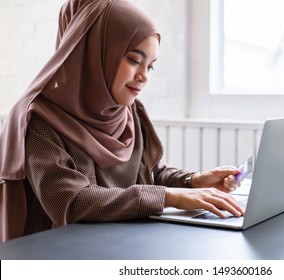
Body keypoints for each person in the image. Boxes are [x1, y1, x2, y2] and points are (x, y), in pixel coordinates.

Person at [0, 0, 244, 242]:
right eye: (134, 60)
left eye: (151, 66)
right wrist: (167, 197)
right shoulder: (38, 120)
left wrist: (193, 181)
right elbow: (72, 202)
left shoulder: (129, 111)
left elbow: (148, 172)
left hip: (118, 244)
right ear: (92, 51)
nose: (144, 77)